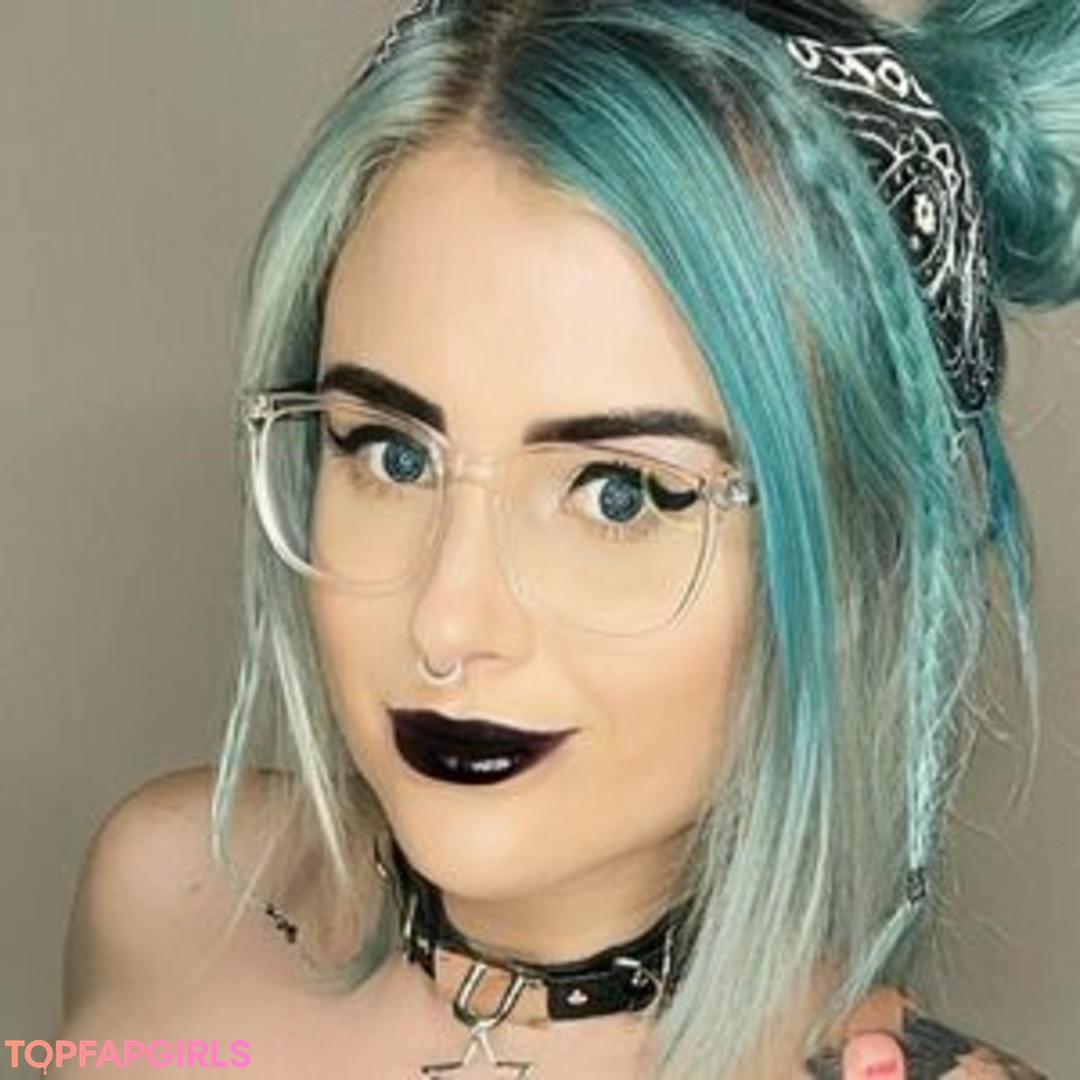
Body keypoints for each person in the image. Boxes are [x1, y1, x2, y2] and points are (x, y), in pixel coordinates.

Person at [57, 0, 1076, 1075]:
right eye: (392, 455)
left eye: (619, 494)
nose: (446, 623)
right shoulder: (169, 898)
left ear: (858, 546)